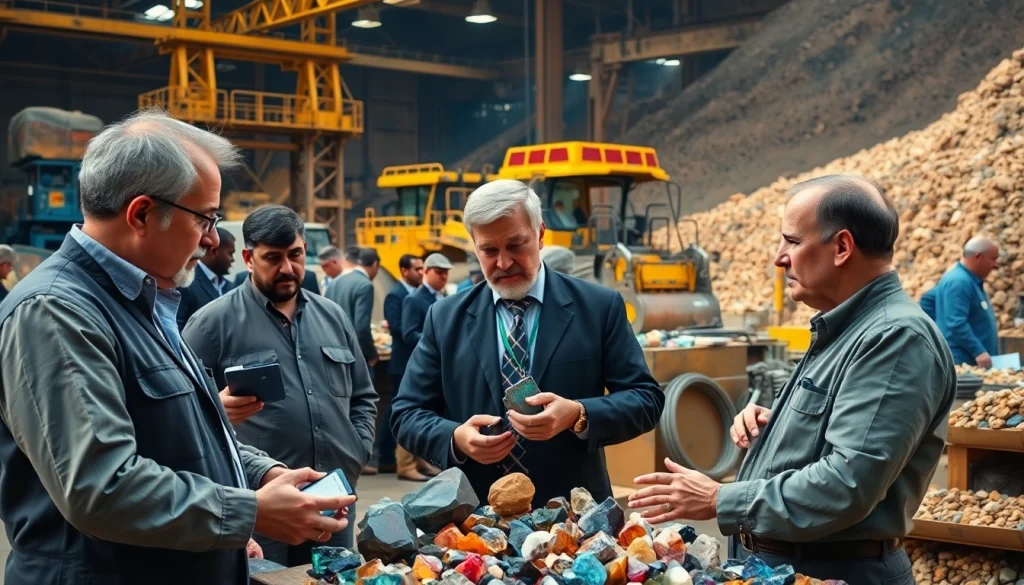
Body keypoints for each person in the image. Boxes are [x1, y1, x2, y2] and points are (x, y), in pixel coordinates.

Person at [0, 110, 354, 585]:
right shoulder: (56, 313)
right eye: (205, 219)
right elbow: (100, 487)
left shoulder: (149, 301)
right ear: (142, 213)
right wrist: (247, 512)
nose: (211, 241)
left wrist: (261, 475)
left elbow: (182, 435)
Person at [628, 175, 955, 585]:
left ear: (841, 248)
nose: (779, 258)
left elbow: (846, 484)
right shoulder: (847, 329)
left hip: (834, 571)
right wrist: (777, 428)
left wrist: (717, 498)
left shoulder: (895, 339)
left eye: (793, 242)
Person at [391, 179, 664, 506]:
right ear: (474, 246)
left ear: (540, 233)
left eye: (516, 244)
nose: (503, 263)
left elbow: (646, 399)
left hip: (573, 517)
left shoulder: (597, 308)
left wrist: (578, 414)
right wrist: (455, 437)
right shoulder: (445, 318)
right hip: (475, 519)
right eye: (489, 251)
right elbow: (406, 413)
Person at [183, 205, 377, 562]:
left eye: (296, 255)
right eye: (273, 257)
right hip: (262, 511)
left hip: (332, 498)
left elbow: (364, 396)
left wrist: (356, 449)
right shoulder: (210, 326)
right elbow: (184, 418)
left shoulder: (333, 317)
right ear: (248, 257)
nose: (288, 268)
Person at [378, 253, 429, 482]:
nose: (421, 272)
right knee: (398, 411)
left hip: (414, 363)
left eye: (422, 268)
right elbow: (398, 329)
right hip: (402, 362)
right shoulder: (396, 295)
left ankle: (411, 459)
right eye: (417, 269)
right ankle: (388, 458)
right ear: (404, 271)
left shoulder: (417, 295)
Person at [919, 236, 1000, 367]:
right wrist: (978, 351)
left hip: (975, 362)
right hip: (965, 363)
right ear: (978, 256)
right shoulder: (959, 281)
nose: (995, 265)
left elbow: (928, 301)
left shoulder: (967, 279)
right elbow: (956, 322)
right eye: (993, 259)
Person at [326, 247, 380, 368]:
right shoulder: (365, 285)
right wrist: (371, 354)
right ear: (375, 264)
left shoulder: (334, 282)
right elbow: (361, 328)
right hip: (356, 357)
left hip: (332, 353)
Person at [176, 226, 236, 329]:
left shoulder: (229, 286)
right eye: (230, 253)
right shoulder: (186, 283)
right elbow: (178, 328)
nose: (233, 259)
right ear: (213, 252)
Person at [401, 253, 452, 347]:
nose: (444, 277)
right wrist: (437, 339)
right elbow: (409, 335)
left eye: (446, 272)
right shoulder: (413, 299)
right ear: (426, 271)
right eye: (439, 272)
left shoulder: (446, 296)